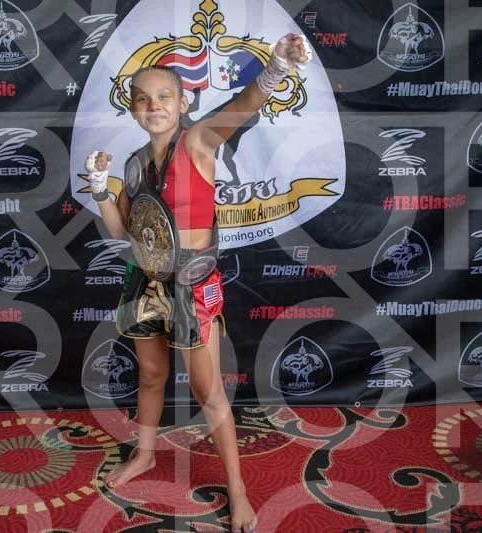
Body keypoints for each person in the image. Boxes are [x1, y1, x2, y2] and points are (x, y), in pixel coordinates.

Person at [84, 33, 312, 533]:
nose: (153, 106)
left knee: (209, 392)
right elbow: (121, 232)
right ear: (133, 109)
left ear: (183, 102)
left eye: (164, 96)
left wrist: (277, 67)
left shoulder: (198, 141)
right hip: (144, 280)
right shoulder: (134, 164)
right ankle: (145, 454)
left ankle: (238, 491)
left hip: (192, 282)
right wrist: (100, 189)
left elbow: (244, 106)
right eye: (142, 99)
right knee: (151, 376)